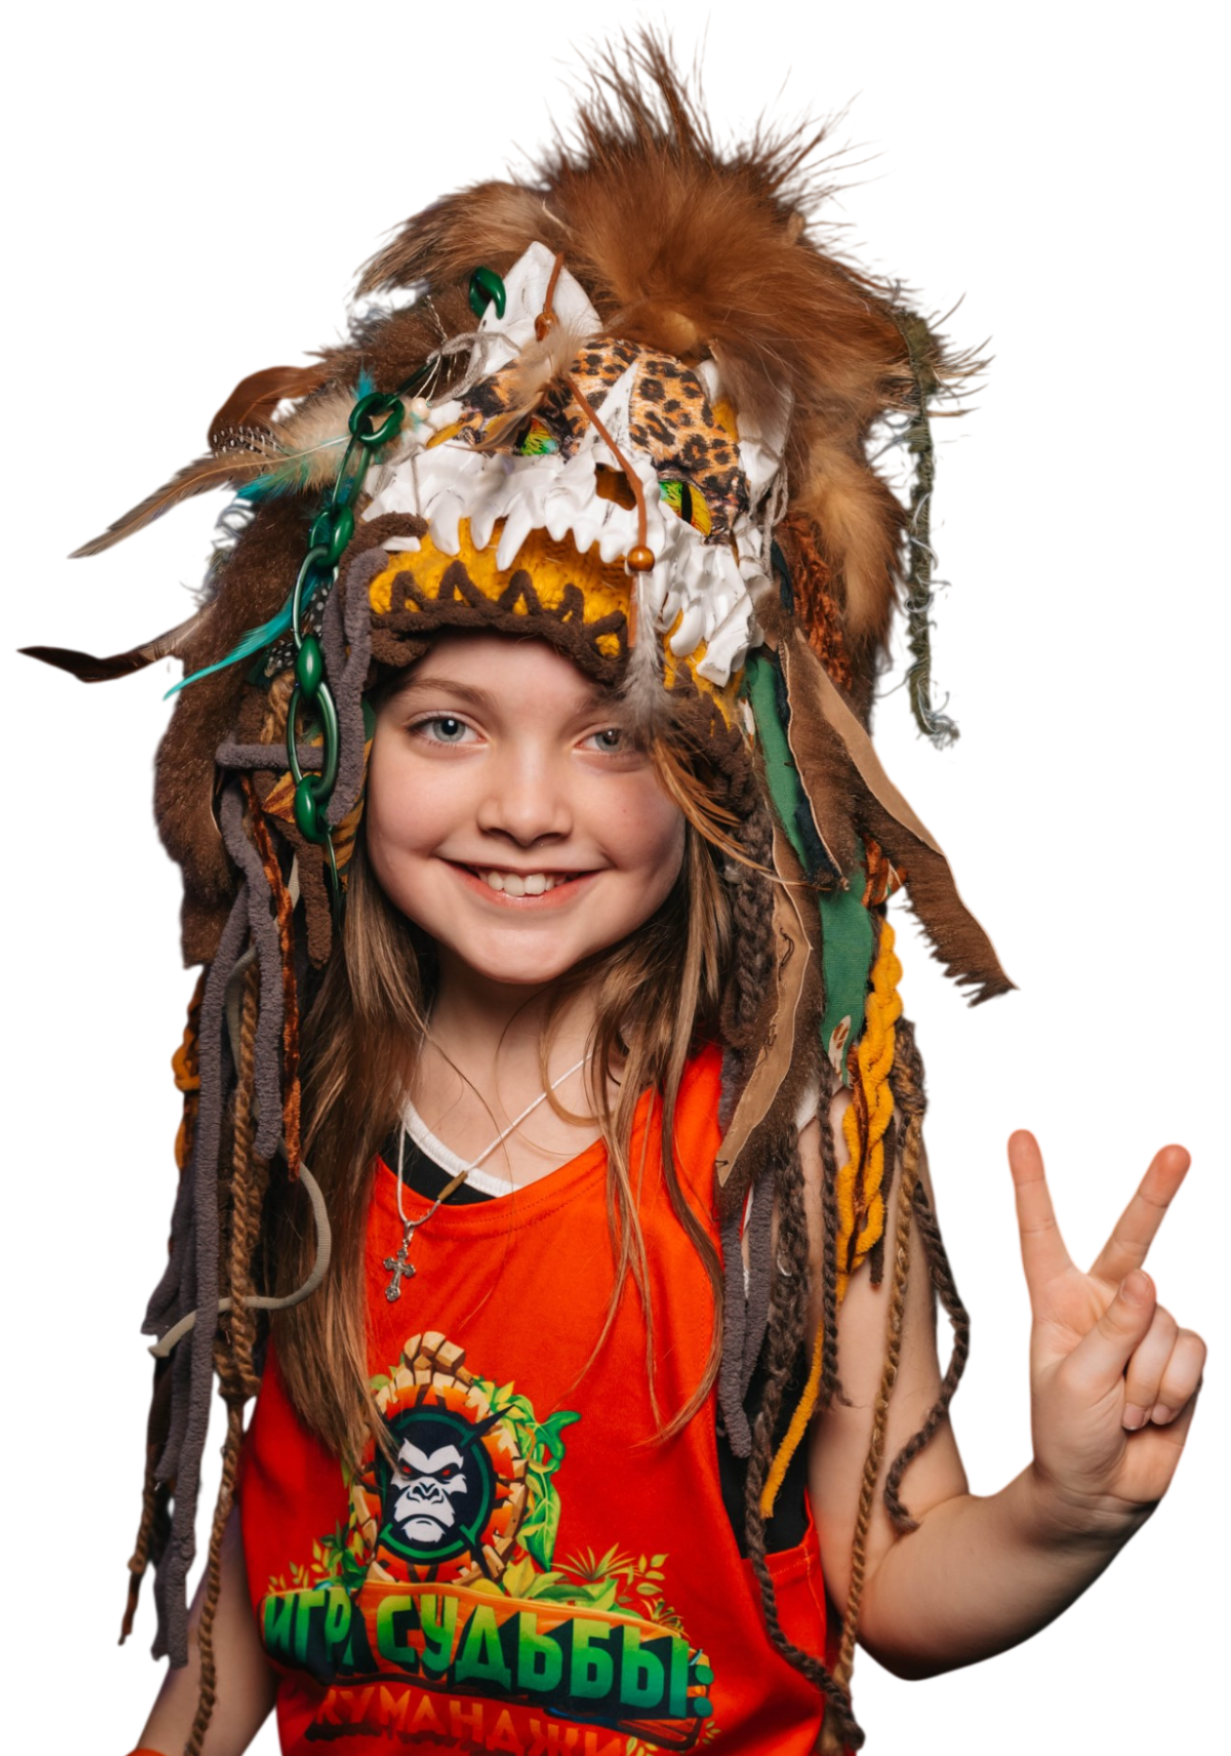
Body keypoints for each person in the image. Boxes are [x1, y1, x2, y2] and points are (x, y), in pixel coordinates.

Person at [20, 15, 1206, 1755]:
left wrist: (1063, 1512)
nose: (523, 807)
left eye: (611, 737)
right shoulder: (279, 1108)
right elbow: (219, 1666)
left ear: (717, 781)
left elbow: (894, 1593)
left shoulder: (783, 1137)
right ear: (340, 745)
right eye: (447, 723)